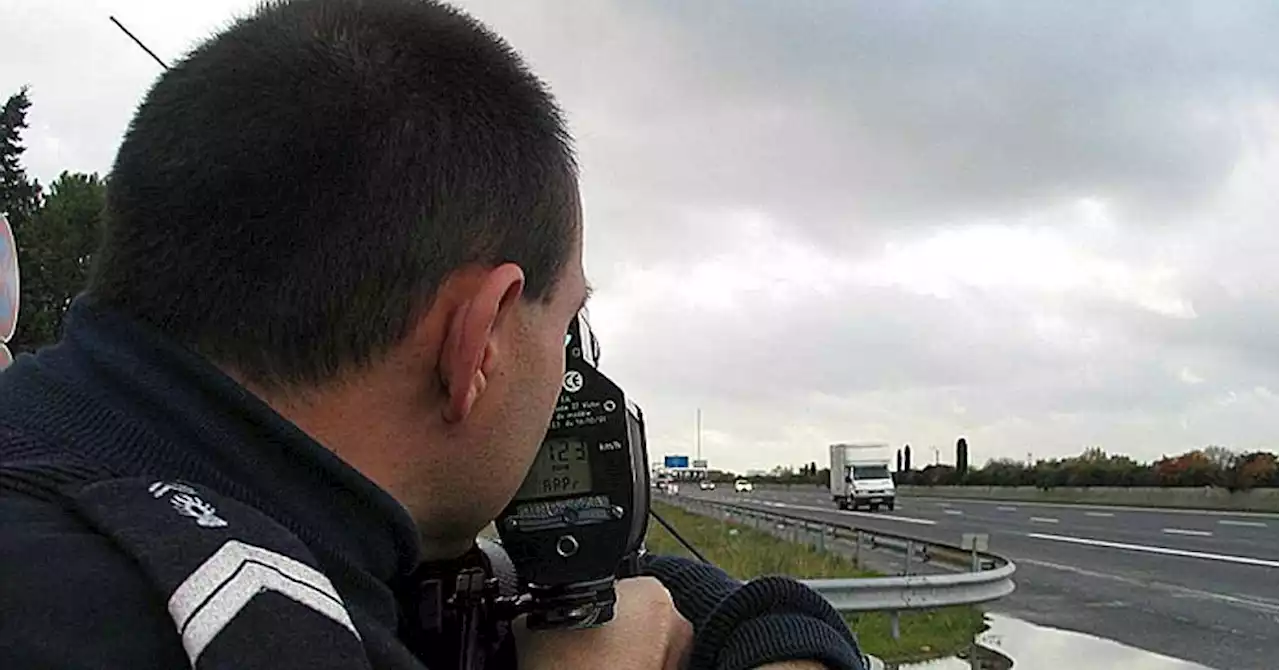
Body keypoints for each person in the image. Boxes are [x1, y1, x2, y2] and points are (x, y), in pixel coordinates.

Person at [0, 1, 868, 669]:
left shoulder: (98, 485)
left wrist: (759, 631)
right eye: (566, 325)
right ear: (478, 341)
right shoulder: (233, 629)